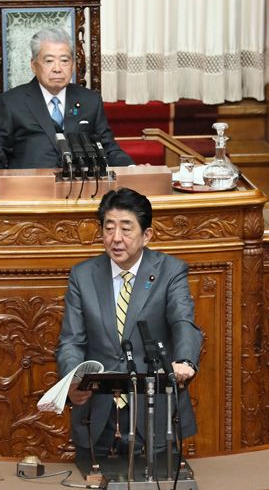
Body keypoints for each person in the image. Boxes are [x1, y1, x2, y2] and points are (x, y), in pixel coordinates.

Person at [56, 187, 203, 459]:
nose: (116, 238)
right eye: (109, 228)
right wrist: (72, 381)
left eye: (126, 229)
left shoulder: (170, 271)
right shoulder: (83, 275)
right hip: (97, 411)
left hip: (154, 408)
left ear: (146, 235)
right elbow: (71, 341)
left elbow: (184, 322)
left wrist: (186, 362)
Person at [0, 27, 134, 175]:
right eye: (49, 61)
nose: (57, 68)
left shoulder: (90, 100)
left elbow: (109, 148)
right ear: (33, 65)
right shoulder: (12, 102)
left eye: (64, 60)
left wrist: (131, 168)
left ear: (73, 65)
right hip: (29, 190)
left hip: (81, 187)